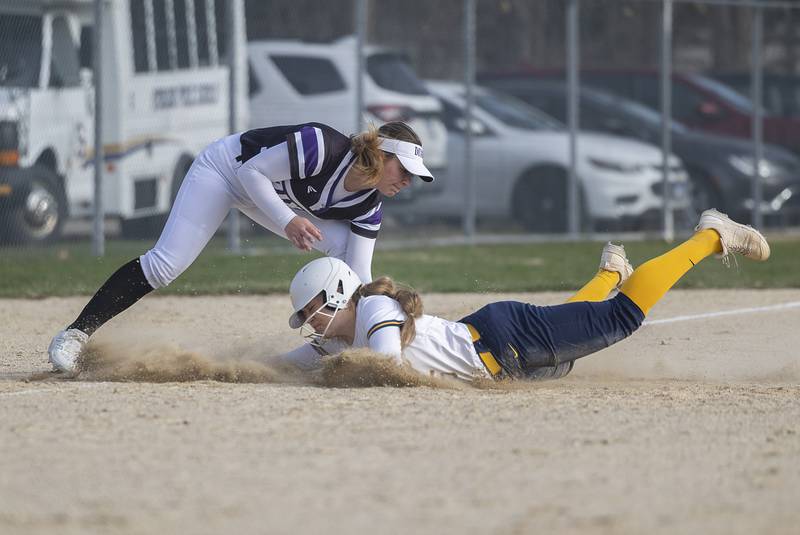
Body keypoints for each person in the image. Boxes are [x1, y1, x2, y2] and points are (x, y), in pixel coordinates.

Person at [48, 121, 435, 372]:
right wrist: (287, 221)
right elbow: (251, 172)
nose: (408, 182)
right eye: (404, 171)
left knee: (346, 255)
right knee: (165, 264)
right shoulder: (322, 144)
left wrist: (377, 328)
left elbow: (361, 278)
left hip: (270, 198)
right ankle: (75, 335)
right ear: (382, 156)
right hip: (225, 172)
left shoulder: (370, 204)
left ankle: (331, 345)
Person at [277, 209, 769, 381]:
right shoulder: (337, 341)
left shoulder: (376, 310)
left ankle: (712, 236)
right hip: (504, 351)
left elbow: (383, 368)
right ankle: (610, 273)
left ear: (337, 295)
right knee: (569, 348)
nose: (310, 322)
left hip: (506, 340)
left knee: (621, 319)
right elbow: (284, 362)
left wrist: (331, 370)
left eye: (311, 311)